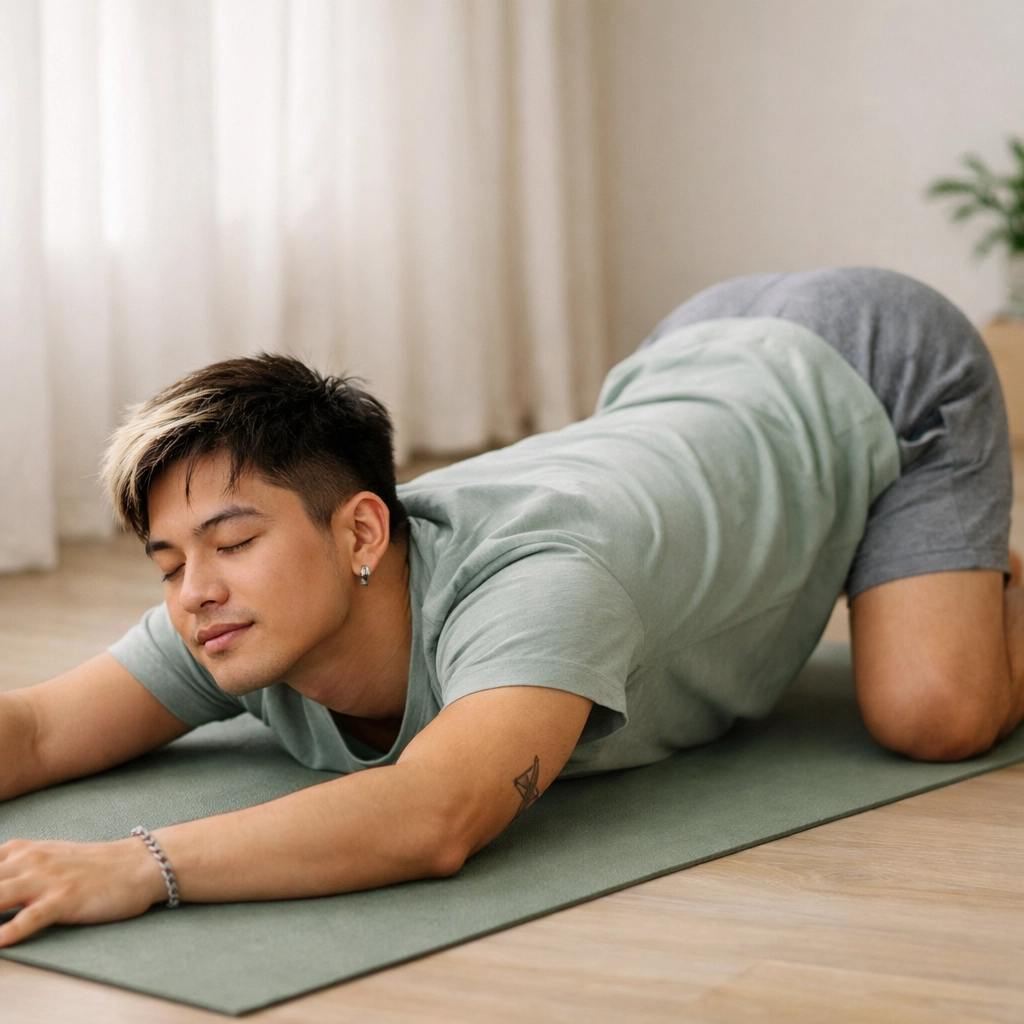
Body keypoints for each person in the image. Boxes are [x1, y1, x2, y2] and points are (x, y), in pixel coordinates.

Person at [1, 267, 1022, 947]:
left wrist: (135, 866)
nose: (196, 589)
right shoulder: (227, 610)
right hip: (693, 354)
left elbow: (434, 813)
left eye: (231, 542)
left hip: (875, 362)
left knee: (934, 712)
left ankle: (960, 560)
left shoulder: (537, 585)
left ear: (359, 533)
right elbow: (42, 729)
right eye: (168, 561)